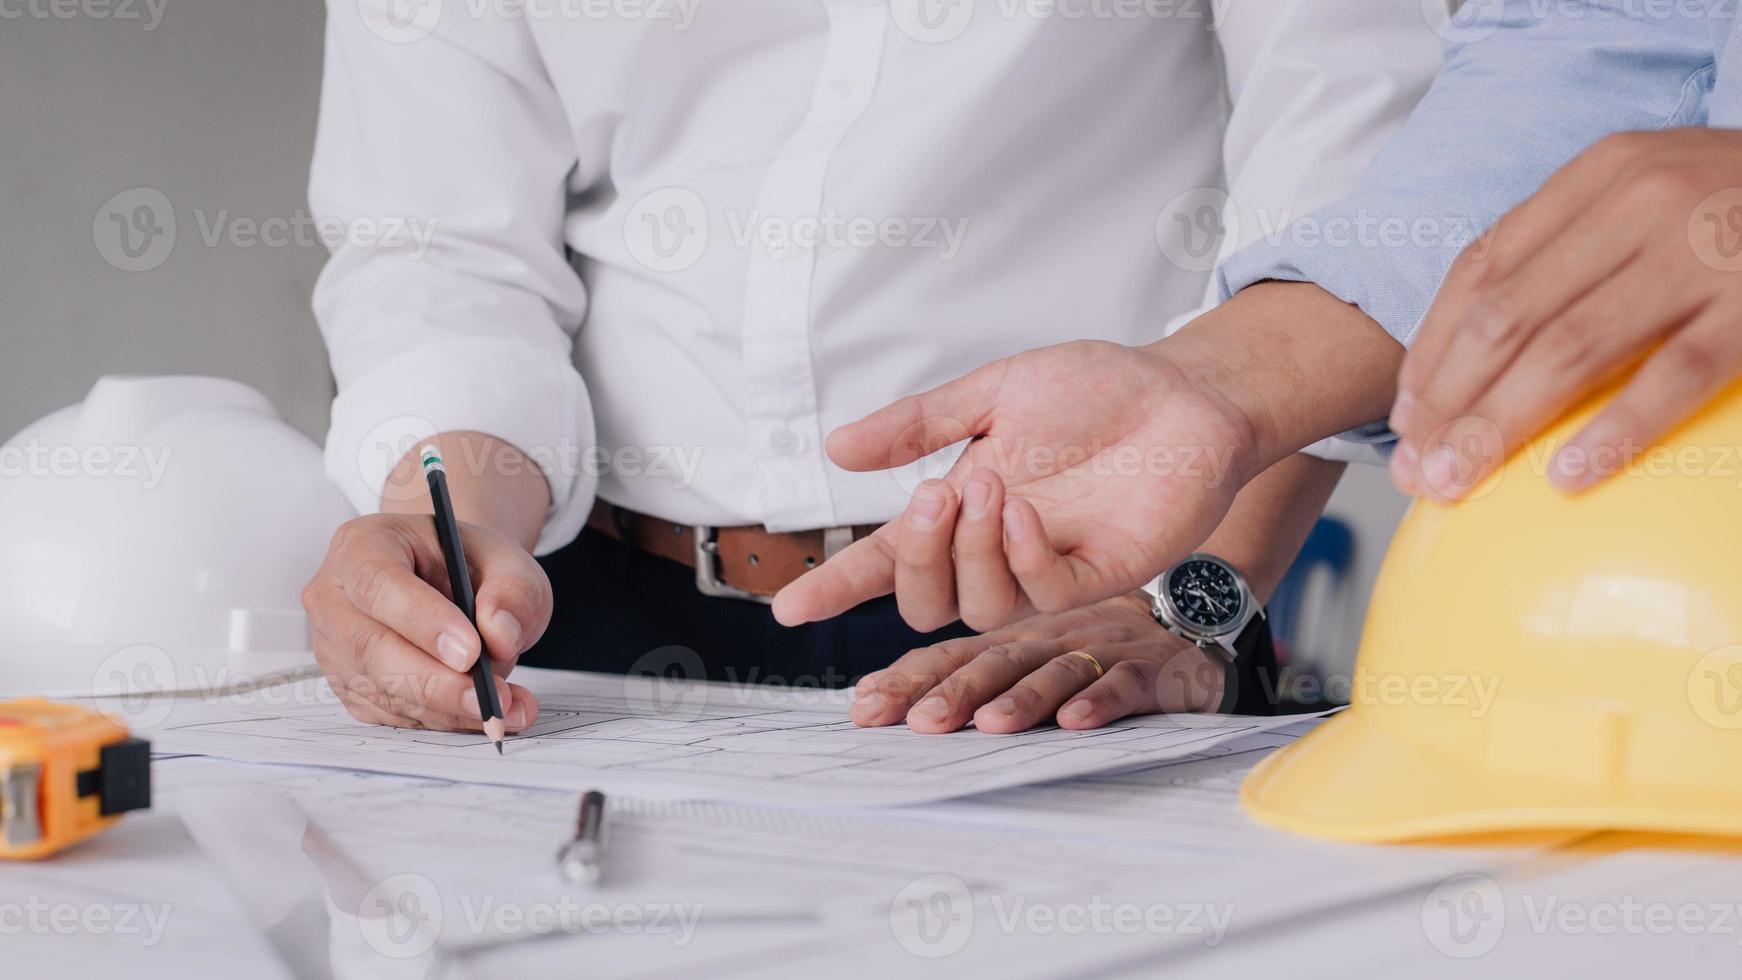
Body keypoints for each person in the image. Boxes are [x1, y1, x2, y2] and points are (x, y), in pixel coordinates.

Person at [299, 0, 1442, 733]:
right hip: (573, 620)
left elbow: (1345, 193)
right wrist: (447, 530)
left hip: (1083, 620)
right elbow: (441, 243)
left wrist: (1194, 607)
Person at [779, 0, 1742, 728]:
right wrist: (1219, 384)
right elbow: (1607, 38)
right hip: (1644, 621)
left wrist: (1201, 593)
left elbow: (1335, 99)